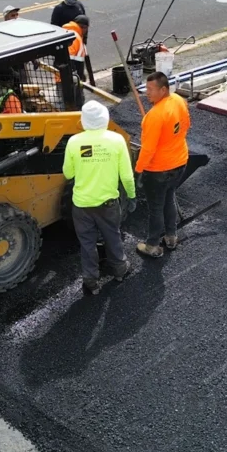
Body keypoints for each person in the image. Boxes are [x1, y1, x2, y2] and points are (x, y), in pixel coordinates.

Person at [63, 101, 136, 295]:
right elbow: (127, 176)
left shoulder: (74, 141)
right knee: (113, 236)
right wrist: (132, 195)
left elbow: (68, 173)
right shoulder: (117, 140)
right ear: (105, 118)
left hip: (81, 206)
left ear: (84, 121)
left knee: (87, 243)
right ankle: (120, 271)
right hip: (108, 205)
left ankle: (91, 281)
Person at [135, 71, 190, 258]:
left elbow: (148, 150)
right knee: (169, 198)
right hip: (180, 162)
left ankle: (151, 245)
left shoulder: (154, 116)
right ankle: (171, 237)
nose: (146, 93)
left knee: (156, 208)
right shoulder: (178, 100)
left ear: (163, 89)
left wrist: (138, 169)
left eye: (151, 89)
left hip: (158, 170)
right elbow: (185, 125)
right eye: (146, 88)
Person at [62, 15, 89, 81]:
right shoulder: (75, 38)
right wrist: (75, 76)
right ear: (84, 27)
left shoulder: (68, 32)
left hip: (67, 77)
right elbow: (68, 58)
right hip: (69, 80)